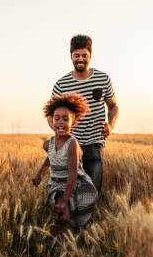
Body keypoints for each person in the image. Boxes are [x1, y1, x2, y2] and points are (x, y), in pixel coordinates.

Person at [50, 34, 119, 195]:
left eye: (84, 55)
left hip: (95, 144)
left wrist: (111, 125)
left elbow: (113, 106)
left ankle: (87, 220)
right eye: (76, 55)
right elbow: (50, 115)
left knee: (91, 192)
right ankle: (72, 220)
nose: (80, 59)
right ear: (71, 56)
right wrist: (60, 134)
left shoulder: (103, 79)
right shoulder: (61, 84)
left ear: (90, 55)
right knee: (70, 193)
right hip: (70, 147)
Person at [32, 93, 98, 228]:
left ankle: (68, 244)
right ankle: (63, 241)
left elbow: (73, 173)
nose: (61, 122)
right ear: (51, 121)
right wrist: (39, 173)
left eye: (65, 119)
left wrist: (65, 199)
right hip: (57, 183)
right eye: (57, 118)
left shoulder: (72, 144)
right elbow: (50, 158)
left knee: (66, 215)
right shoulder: (48, 144)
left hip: (74, 183)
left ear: (73, 122)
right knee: (60, 216)